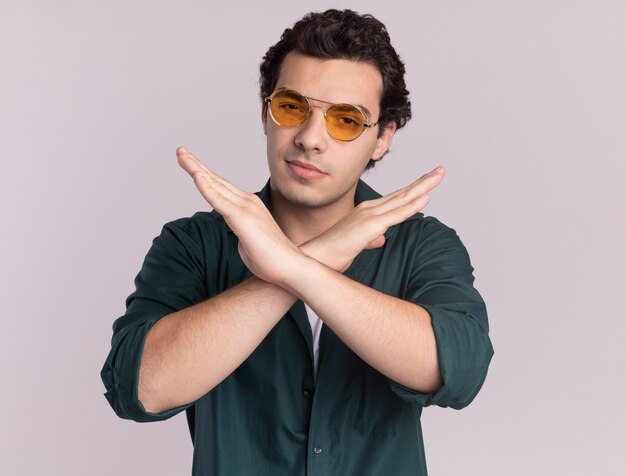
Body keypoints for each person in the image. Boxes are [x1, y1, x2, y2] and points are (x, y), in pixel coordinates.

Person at [101, 9, 494, 475]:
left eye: (346, 120)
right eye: (292, 107)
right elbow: (141, 386)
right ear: (265, 114)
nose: (310, 138)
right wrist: (313, 263)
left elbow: (455, 371)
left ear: (383, 138)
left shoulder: (424, 245)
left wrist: (294, 267)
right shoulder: (195, 243)